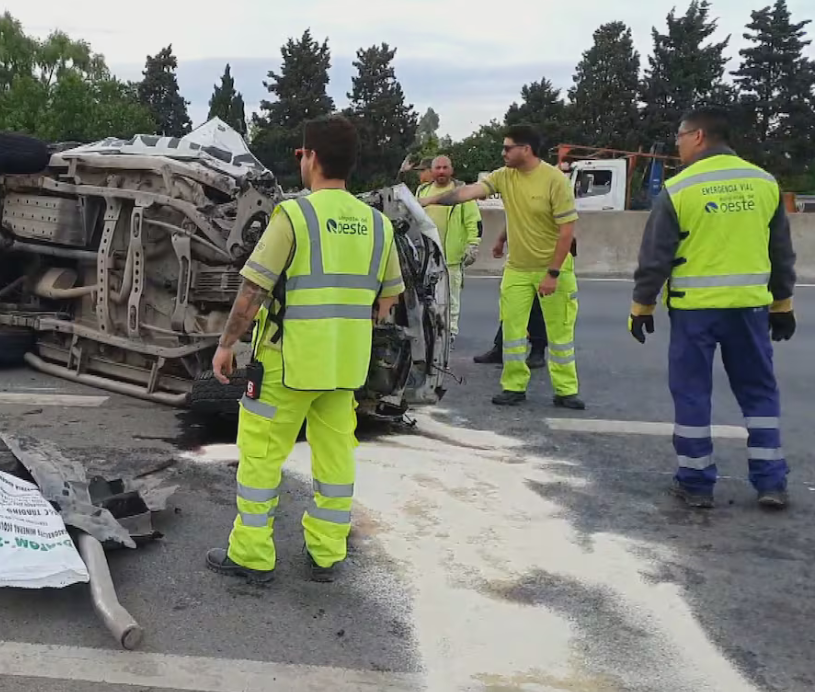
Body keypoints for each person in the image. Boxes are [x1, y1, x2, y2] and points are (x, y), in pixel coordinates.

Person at [205, 114, 403, 584]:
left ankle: (252, 556)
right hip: (345, 368)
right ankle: (327, 555)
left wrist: (226, 344)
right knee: (336, 460)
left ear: (309, 158)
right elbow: (389, 299)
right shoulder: (378, 225)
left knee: (261, 457)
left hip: (286, 365)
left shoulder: (294, 215)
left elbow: (253, 289)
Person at [629, 106, 797, 510]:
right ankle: (771, 482)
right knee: (759, 393)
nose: (679, 146)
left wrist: (641, 307)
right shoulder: (764, 183)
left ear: (698, 136)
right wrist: (783, 303)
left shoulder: (681, 187)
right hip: (750, 309)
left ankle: (696, 483)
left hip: (695, 312)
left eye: (680, 139)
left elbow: (656, 257)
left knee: (692, 395)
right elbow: (781, 252)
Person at [419, 124, 584, 409]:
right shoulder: (504, 176)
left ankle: (566, 390)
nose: (503, 152)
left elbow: (566, 231)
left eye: (508, 148)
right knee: (513, 332)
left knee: (560, 335)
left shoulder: (554, 180)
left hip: (553, 269)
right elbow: (467, 193)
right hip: (517, 269)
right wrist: (430, 199)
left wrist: (553, 273)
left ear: (526, 149)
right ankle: (514, 386)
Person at [408, 155, 482, 342]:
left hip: (451, 257)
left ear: (451, 170)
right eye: (437, 168)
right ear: (432, 171)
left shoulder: (462, 192)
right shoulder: (422, 191)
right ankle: (430, 333)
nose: (441, 171)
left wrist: (473, 245)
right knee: (427, 298)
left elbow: (474, 221)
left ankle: (450, 333)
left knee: (450, 298)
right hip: (426, 257)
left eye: (445, 167)